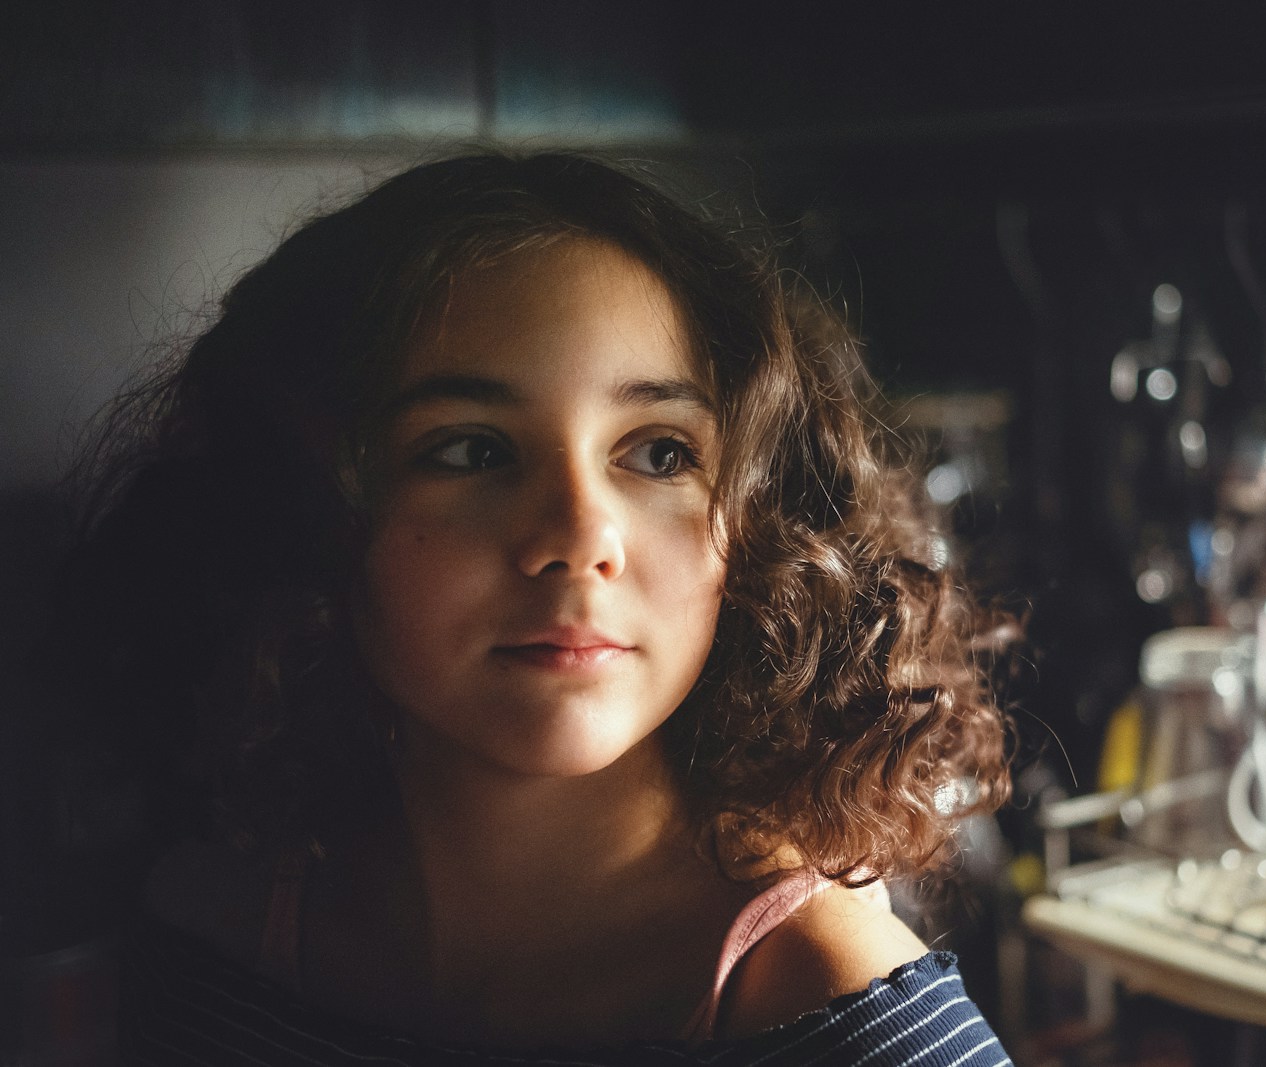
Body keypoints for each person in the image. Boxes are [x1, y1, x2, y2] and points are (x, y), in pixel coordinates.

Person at [55, 151, 1015, 1064]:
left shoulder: (839, 1018)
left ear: (757, 530)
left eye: (658, 452)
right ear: (301, 511)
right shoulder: (213, 937)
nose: (579, 534)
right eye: (471, 450)